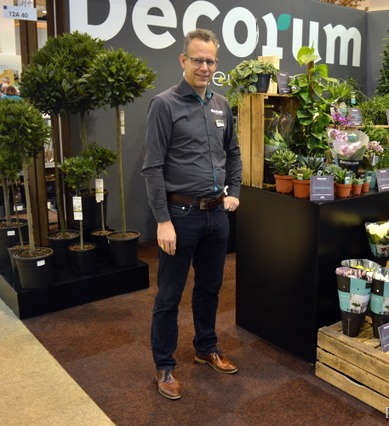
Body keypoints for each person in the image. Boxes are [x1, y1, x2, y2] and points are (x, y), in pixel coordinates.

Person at [141, 29, 242, 400]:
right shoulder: (164, 104)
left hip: (216, 216)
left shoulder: (221, 104)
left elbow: (233, 152)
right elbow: (152, 167)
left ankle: (205, 348)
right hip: (180, 216)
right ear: (183, 60)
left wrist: (235, 192)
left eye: (210, 61)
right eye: (197, 59)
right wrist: (163, 220)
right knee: (169, 295)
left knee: (210, 288)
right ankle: (164, 366)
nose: (204, 67)